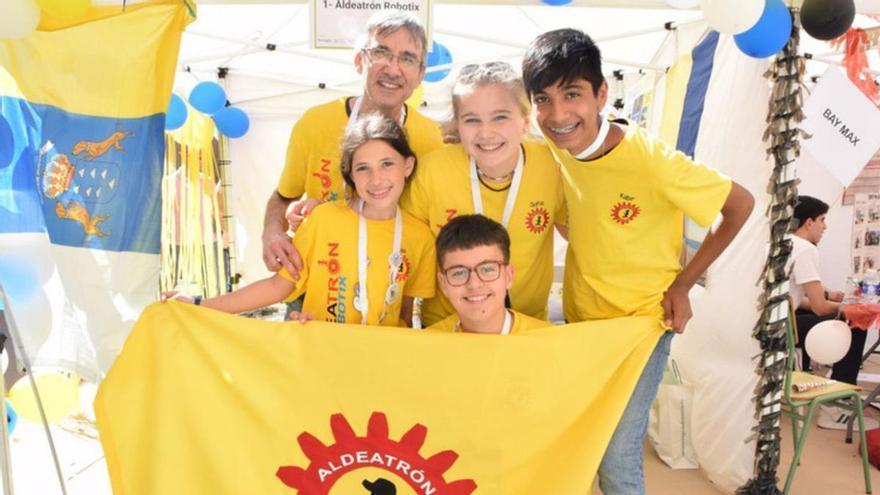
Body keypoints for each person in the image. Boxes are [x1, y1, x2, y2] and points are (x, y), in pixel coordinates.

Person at [522, 29, 755, 494]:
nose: (558, 114)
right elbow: (577, 218)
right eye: (543, 99)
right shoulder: (550, 151)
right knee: (582, 440)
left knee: (617, 453)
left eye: (573, 95)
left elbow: (740, 205)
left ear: (601, 94)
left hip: (641, 328)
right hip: (583, 323)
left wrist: (684, 284)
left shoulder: (652, 160)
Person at [163, 114, 436, 327]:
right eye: (363, 168)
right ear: (351, 176)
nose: (376, 180)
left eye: (387, 164)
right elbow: (277, 286)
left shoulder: (420, 237)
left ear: (408, 166)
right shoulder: (323, 219)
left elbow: (403, 311)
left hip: (378, 362)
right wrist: (200, 304)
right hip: (321, 356)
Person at [262, 10, 443, 277]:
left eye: (407, 58)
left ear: (420, 74)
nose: (393, 69)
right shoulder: (315, 123)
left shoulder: (430, 139)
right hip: (312, 283)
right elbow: (283, 196)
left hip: (387, 289)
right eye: (381, 53)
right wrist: (272, 232)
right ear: (360, 61)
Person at [401, 61, 566, 326]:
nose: (486, 133)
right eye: (472, 120)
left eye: (500, 117)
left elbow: (586, 239)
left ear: (525, 120)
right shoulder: (433, 171)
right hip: (447, 327)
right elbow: (404, 249)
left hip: (524, 329)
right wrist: (403, 319)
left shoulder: (552, 166)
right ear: (457, 125)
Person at [790, 195, 877, 430]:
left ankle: (836, 391)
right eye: (822, 220)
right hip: (785, 329)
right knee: (853, 322)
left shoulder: (782, 242)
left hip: (776, 320)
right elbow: (819, 307)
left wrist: (832, 299)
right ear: (809, 222)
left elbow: (796, 300)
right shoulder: (806, 249)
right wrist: (848, 308)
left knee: (844, 314)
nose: (825, 226)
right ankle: (834, 407)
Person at [428, 215, 549, 334]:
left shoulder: (549, 340)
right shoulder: (427, 343)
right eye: (459, 273)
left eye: (487, 269)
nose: (474, 284)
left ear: (508, 276)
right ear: (443, 283)